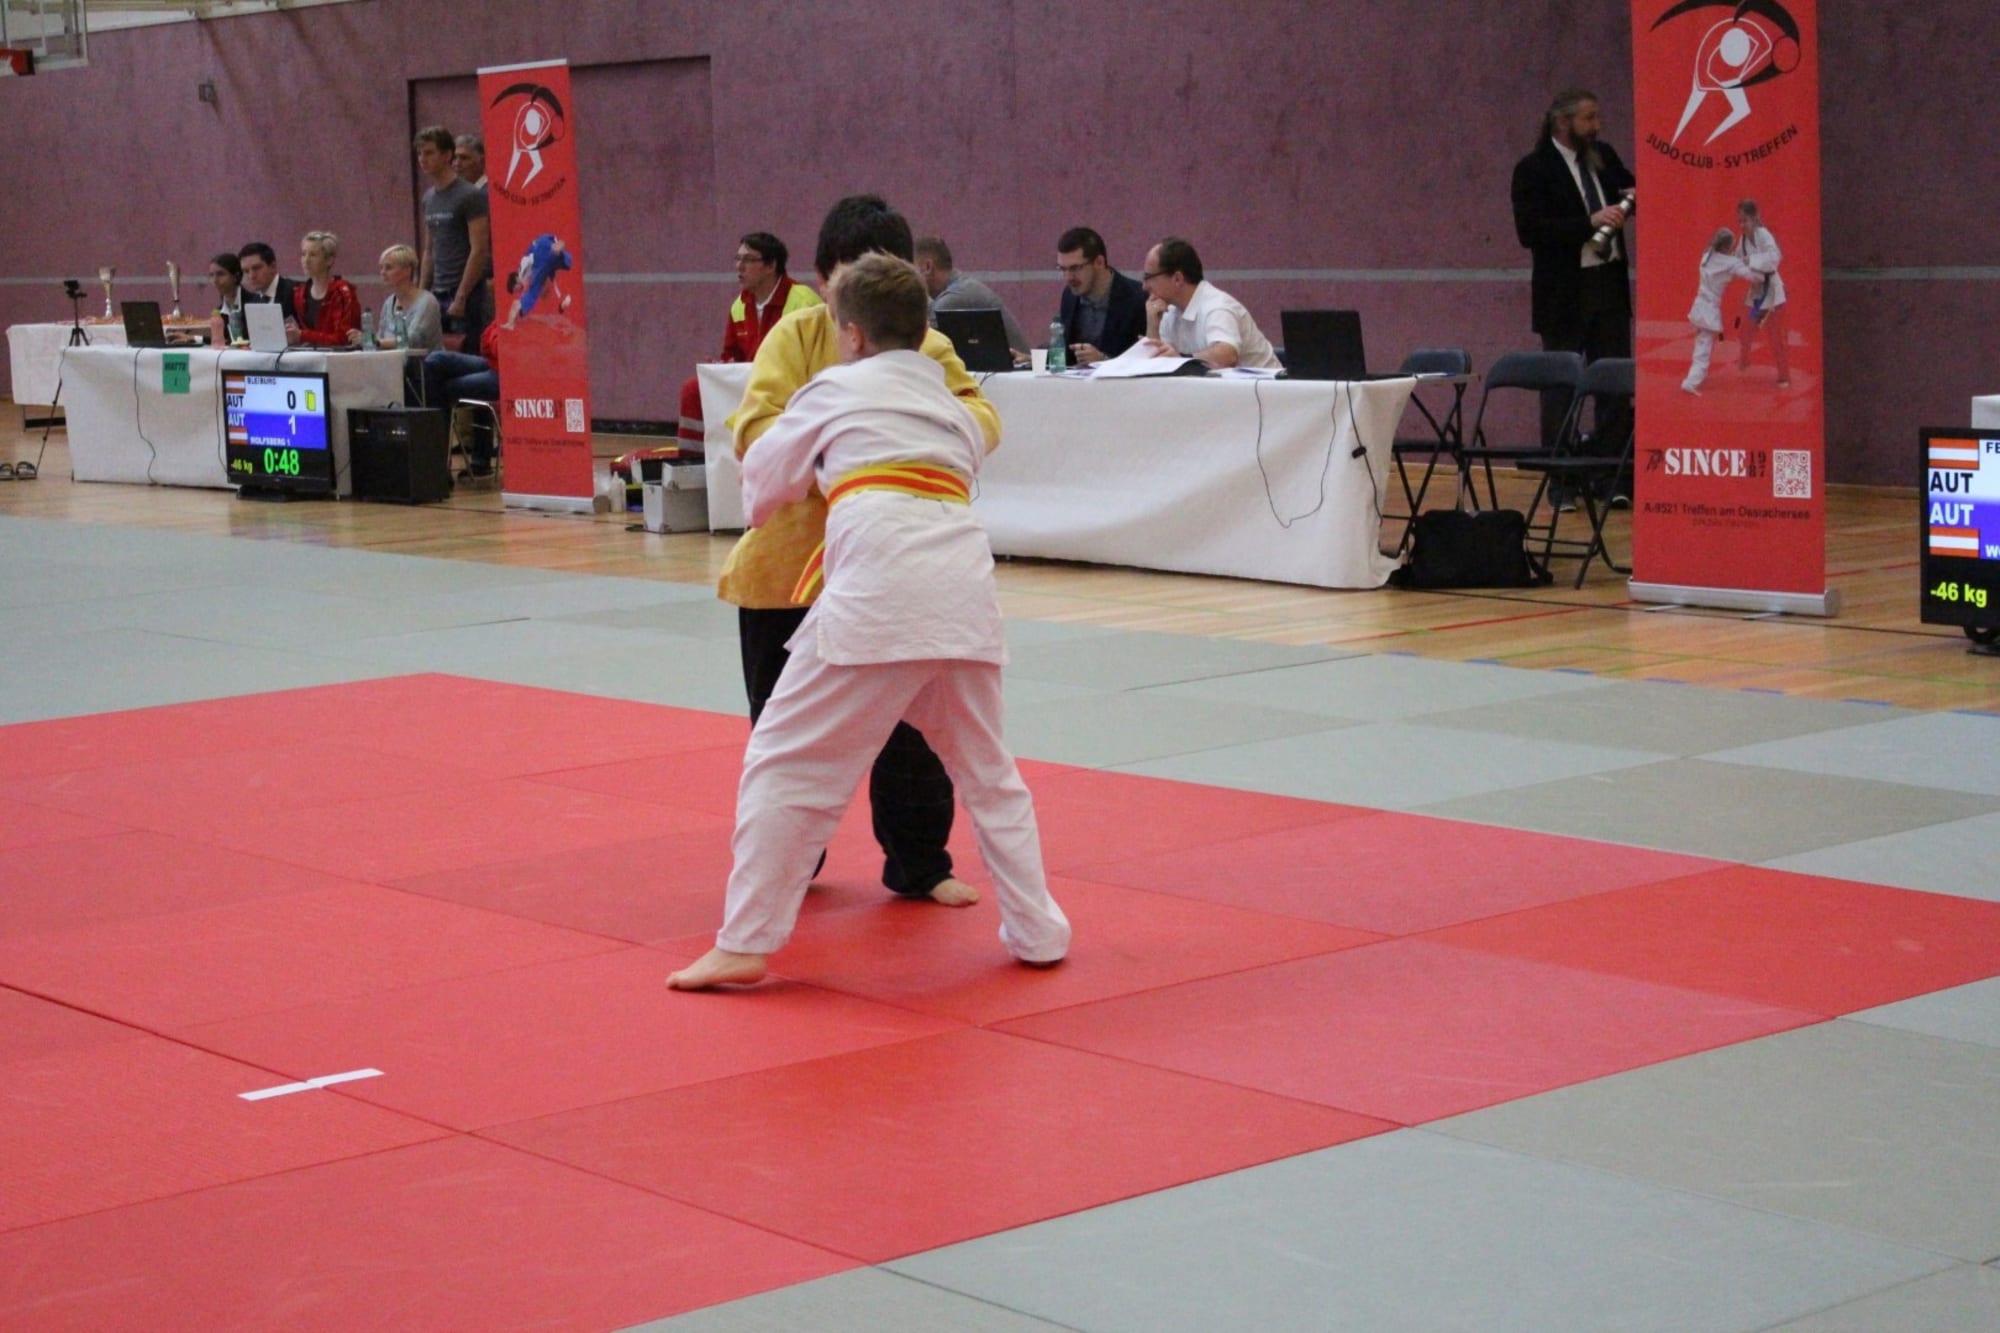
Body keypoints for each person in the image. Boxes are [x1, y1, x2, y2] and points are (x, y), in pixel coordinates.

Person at [667, 254, 1071, 990]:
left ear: (850, 333)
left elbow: (763, 483)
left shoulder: (834, 388)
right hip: (962, 589)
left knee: (784, 759)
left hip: (880, 589)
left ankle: (746, 940)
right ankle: (1038, 930)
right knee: (988, 772)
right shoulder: (952, 405)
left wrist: (803, 484)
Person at [719, 193, 999, 910]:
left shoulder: (925, 347)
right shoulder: (796, 335)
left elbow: (980, 416)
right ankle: (787, 864)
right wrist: (836, 454)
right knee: (783, 732)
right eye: (847, 277)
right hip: (787, 571)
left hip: (887, 570)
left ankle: (920, 863)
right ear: (822, 279)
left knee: (912, 734)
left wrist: (913, 444)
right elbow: (754, 427)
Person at [1511, 87, 1636, 451]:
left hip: (1608, 285)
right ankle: (1561, 469)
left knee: (1614, 382)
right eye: (1588, 118)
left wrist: (1632, 199)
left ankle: (1611, 467)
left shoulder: (1603, 156)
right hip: (1564, 293)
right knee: (1560, 386)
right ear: (1563, 122)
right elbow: (1530, 232)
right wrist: (1589, 223)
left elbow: (1628, 187)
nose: (1597, 125)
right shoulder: (1533, 169)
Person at [676, 232, 822, 449]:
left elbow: (818, 359)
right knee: (694, 390)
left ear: (771, 266)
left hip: (791, 384)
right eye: (738, 259)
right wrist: (723, 366)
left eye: (748, 260)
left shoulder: (804, 301)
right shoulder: (739, 306)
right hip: (754, 382)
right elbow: (732, 356)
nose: (739, 266)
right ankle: (694, 460)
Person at [1139, 237, 1279, 369]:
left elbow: (1227, 355)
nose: (1144, 287)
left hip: (1265, 385)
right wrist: (1153, 326)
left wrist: (1181, 360)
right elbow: (1155, 367)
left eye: (1148, 277)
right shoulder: (1169, 311)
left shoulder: (1216, 306)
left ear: (1177, 279)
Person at [415, 125, 491, 353]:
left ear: (447, 155)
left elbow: (479, 249)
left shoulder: (470, 195)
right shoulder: (429, 198)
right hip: (437, 292)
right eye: (420, 153)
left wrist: (462, 296)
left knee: (466, 356)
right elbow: (429, 250)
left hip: (466, 292)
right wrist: (421, 294)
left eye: (429, 152)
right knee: (435, 356)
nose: (423, 159)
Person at [914, 234, 1030, 362]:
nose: (907, 276)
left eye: (910, 268)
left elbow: (918, 344)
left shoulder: (955, 297)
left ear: (927, 267)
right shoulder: (960, 288)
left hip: (1018, 370)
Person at [1055, 225, 1147, 364]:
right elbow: (1066, 354)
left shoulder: (1137, 299)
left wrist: (1104, 360)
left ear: (1099, 262)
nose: (1068, 278)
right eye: (1063, 269)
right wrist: (1034, 359)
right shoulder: (1070, 296)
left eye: (1075, 268)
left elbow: (1146, 362)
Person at [421, 324, 503, 476]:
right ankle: (439, 461)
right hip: (492, 361)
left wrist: (495, 340)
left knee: (440, 388)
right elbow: (488, 336)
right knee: (435, 361)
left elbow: (504, 345)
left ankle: (437, 465)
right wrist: (494, 340)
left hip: (507, 371)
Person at [1682, 227, 1751, 396]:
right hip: (1709, 309)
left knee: (1701, 343)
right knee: (1704, 347)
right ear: (1726, 247)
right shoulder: (1729, 263)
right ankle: (1692, 381)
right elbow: (1747, 273)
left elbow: (1729, 263)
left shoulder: (1707, 256)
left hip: (1700, 305)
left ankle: (1696, 376)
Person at [1734, 198, 1791, 387]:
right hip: (1756, 296)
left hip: (1773, 293)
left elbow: (1775, 258)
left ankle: (1784, 375)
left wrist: (1751, 260)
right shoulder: (1743, 240)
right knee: (1745, 329)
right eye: (1740, 221)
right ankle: (1744, 359)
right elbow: (1736, 260)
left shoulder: (1764, 235)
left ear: (1754, 218)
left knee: (1776, 337)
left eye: (1745, 220)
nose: (1742, 225)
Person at [357, 244, 443, 353]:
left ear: (407, 270)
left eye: (388, 267)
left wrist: (374, 341)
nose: (382, 272)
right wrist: (364, 338)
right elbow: (381, 337)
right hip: (392, 361)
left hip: (424, 362)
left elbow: (413, 340)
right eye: (381, 268)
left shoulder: (427, 302)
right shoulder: (389, 302)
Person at [288, 230, 361, 347]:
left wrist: (302, 335)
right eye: (303, 254)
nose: (306, 260)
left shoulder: (342, 292)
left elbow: (343, 339)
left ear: (329, 260)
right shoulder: (300, 293)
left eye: (313, 255)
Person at [500, 233, 575, 330]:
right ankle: (559, 253)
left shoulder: (522, 272)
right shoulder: (528, 272)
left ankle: (510, 324)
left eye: (516, 289)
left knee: (532, 292)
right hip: (545, 243)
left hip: (540, 251)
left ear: (516, 280)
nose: (518, 291)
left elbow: (530, 261)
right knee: (561, 264)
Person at [236, 241, 296, 311]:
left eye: (256, 268)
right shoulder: (253, 303)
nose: (251, 276)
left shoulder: (296, 293)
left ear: (273, 267)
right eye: (246, 271)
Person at [207, 252, 246, 344]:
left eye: (221, 274)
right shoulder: (219, 311)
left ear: (236, 276)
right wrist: (194, 338)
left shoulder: (254, 303)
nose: (215, 280)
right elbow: (223, 339)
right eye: (211, 275)